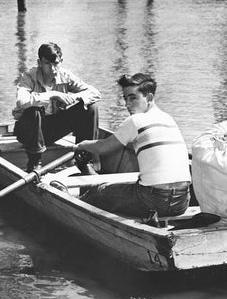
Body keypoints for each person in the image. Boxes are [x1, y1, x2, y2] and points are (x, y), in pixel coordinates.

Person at [73, 72, 191, 219]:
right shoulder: (168, 119)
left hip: (152, 200)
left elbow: (103, 148)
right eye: (125, 98)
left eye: (133, 98)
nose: (127, 104)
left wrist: (83, 144)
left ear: (149, 98)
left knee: (96, 193)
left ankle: (75, 208)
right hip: (182, 202)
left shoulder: (136, 120)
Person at [13, 41, 101, 173]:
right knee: (34, 109)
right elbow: (22, 101)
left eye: (56, 63)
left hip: (51, 130)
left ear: (61, 61)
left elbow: (95, 92)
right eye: (47, 63)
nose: (53, 69)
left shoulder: (65, 75)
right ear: (39, 63)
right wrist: (53, 94)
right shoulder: (29, 76)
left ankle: (84, 159)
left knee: (90, 107)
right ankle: (35, 163)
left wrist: (75, 98)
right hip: (27, 131)